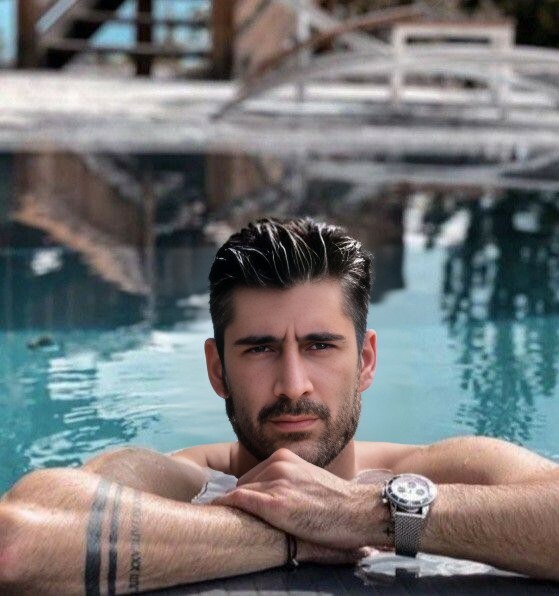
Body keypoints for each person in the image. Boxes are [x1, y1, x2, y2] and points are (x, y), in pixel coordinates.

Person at [1, 217, 558, 595]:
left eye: (320, 346)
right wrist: (292, 534)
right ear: (218, 369)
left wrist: (362, 514)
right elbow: (15, 544)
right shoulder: (178, 481)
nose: (293, 385)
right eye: (261, 349)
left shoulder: (440, 470)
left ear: (366, 360)